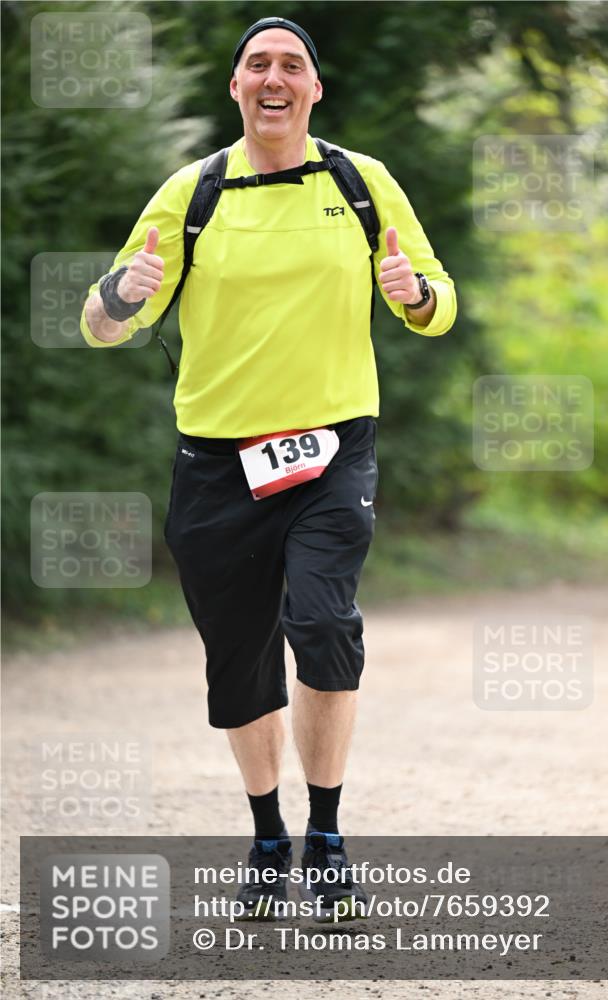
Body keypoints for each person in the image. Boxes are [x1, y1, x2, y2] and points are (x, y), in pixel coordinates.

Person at [80, 16, 456, 922]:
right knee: (238, 658)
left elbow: (437, 305)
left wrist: (417, 297)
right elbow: (104, 322)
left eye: (292, 64)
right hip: (217, 463)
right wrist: (120, 295)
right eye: (258, 65)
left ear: (314, 90)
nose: (274, 76)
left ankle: (326, 836)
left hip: (331, 450)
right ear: (238, 89)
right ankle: (266, 835)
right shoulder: (192, 193)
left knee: (323, 622)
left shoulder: (361, 184)